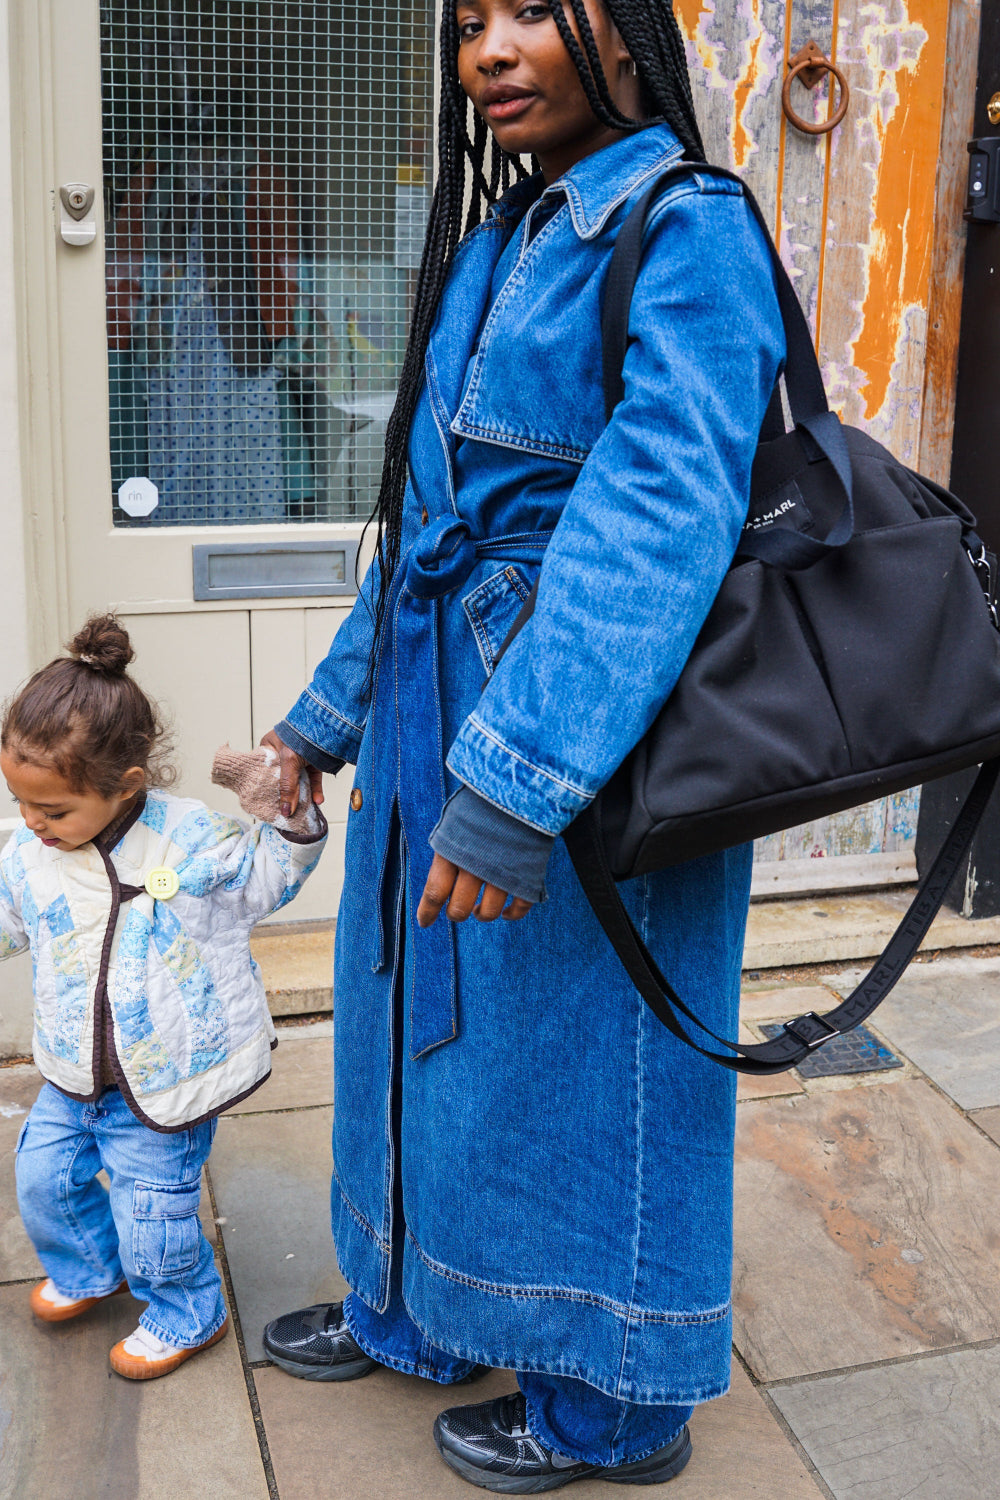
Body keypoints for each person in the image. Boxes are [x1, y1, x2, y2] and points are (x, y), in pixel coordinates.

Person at [261, 0, 784, 1487]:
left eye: (529, 14)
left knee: (589, 1059)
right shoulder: (497, 239)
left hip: (589, 742)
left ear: (622, 31)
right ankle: (427, 1302)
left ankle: (621, 1396)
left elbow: (657, 526)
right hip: (439, 713)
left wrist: (517, 783)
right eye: (468, 19)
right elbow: (425, 528)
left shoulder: (687, 230)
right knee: (426, 1023)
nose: (488, 50)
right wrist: (323, 719)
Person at [0, 616, 326, 1380]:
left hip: (169, 1079)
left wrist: (284, 814)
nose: (32, 825)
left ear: (126, 788)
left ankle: (188, 1311)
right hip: (73, 1071)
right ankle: (88, 1271)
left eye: (52, 811)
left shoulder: (190, 843)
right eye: (21, 804)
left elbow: (266, 877)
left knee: (155, 1213)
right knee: (43, 1178)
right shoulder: (28, 853)